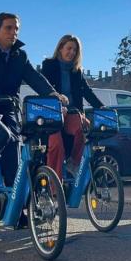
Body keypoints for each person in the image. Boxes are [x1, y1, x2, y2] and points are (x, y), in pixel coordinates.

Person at [0, 12, 67, 193]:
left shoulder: (20, 56)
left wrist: (53, 94)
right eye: (8, 28)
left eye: (16, 29)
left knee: (15, 152)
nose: (13, 33)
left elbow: (35, 78)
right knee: (1, 135)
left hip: (8, 109)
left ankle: (17, 211)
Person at [41, 34, 104, 179]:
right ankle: (54, 186)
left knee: (81, 130)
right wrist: (56, 102)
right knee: (56, 146)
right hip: (53, 113)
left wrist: (100, 107)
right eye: (69, 48)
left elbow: (87, 92)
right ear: (61, 48)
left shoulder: (77, 71)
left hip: (72, 113)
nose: (72, 52)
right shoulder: (49, 66)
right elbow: (43, 88)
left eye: (75, 50)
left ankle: (73, 164)